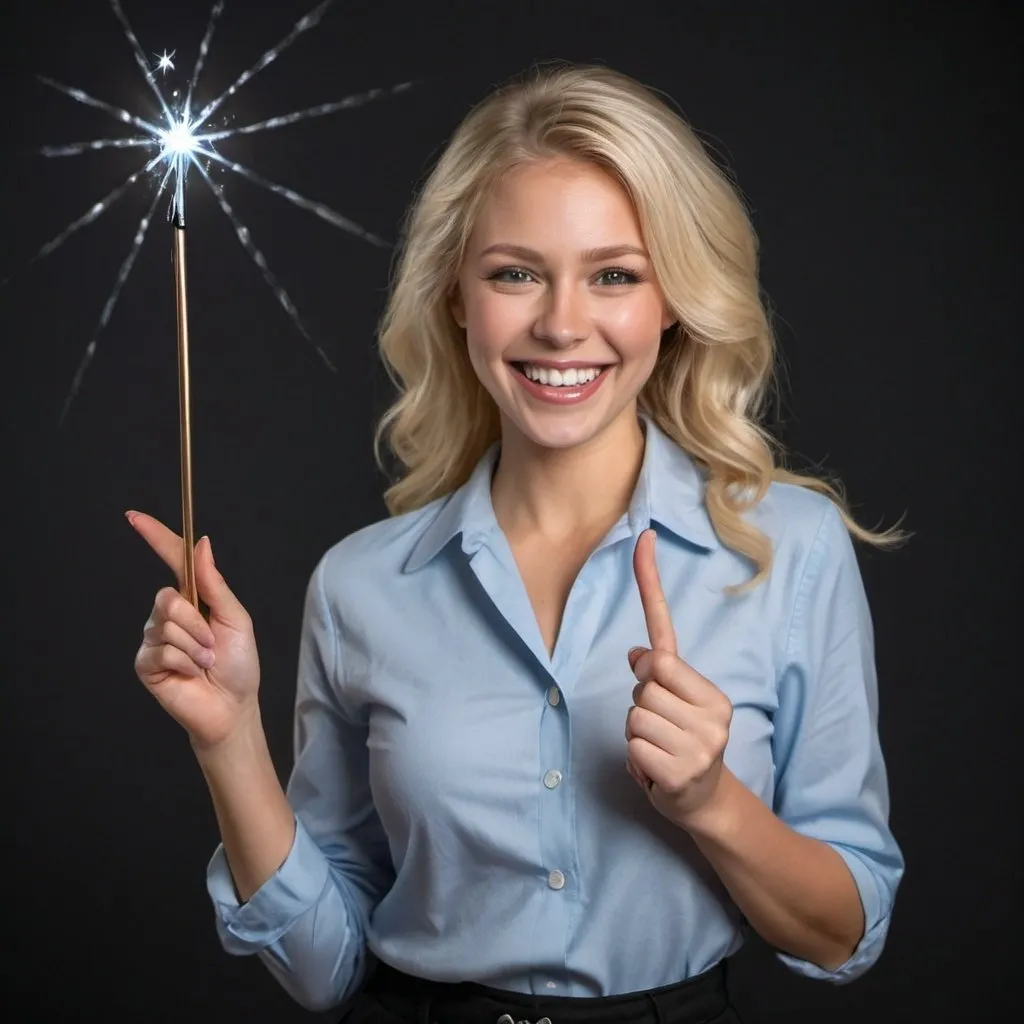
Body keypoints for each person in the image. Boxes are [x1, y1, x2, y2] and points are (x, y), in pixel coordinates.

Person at [127, 63, 905, 1024]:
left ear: (674, 300)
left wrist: (713, 802)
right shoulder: (362, 585)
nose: (562, 324)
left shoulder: (792, 549)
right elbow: (323, 969)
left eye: (614, 274)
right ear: (457, 295)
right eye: (515, 274)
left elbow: (841, 934)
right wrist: (230, 740)